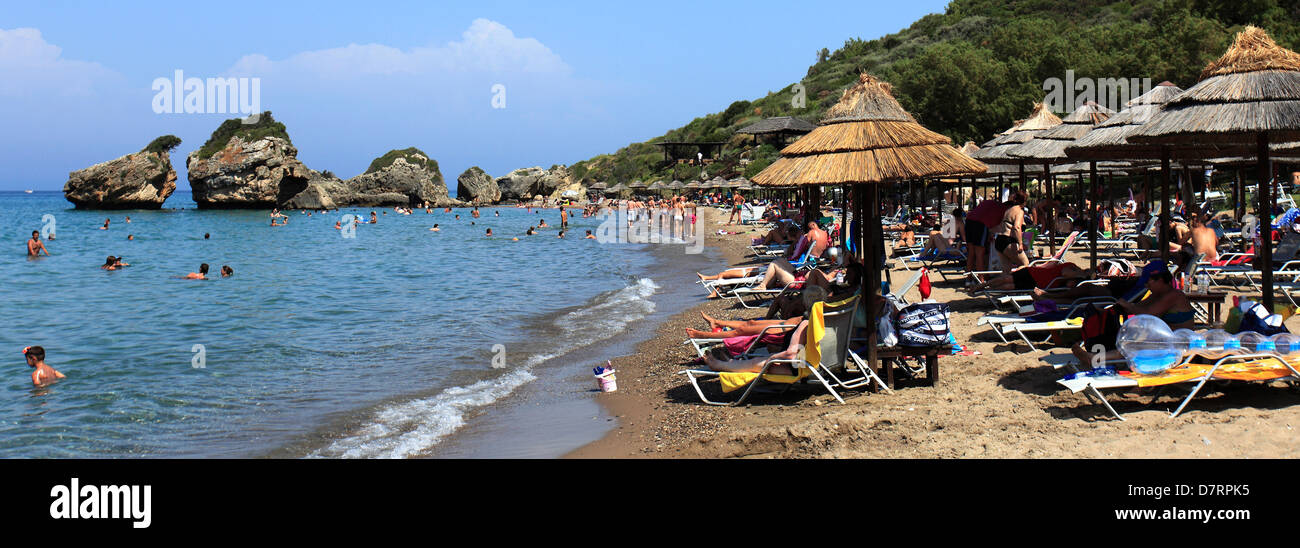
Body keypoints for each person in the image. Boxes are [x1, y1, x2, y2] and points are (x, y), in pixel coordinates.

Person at [1071, 270, 1195, 367]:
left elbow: (1148, 314)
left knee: (1138, 345)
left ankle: (1095, 358)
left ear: (1160, 280)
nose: (1146, 285)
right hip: (1166, 338)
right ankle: (1095, 357)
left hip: (1179, 342)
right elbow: (1137, 307)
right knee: (1134, 341)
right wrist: (1113, 309)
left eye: (1148, 282)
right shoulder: (1157, 295)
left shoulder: (1174, 295)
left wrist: (1127, 305)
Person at [967, 262, 1088, 294]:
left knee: (1010, 285)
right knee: (1007, 280)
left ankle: (986, 289)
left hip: (1038, 281)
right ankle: (982, 286)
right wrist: (1081, 275)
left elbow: (1068, 284)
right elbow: (1065, 273)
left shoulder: (1075, 278)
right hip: (1035, 274)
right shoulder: (1071, 267)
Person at [993, 190, 1030, 272]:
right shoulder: (1019, 211)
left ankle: (991, 285)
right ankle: (1017, 282)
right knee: (1025, 264)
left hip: (999, 240)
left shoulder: (1008, 210)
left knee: (1006, 271)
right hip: (1008, 240)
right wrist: (1020, 244)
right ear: (1025, 201)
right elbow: (1017, 227)